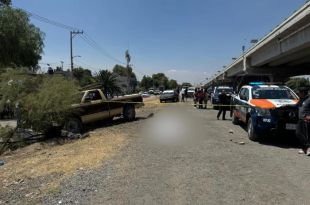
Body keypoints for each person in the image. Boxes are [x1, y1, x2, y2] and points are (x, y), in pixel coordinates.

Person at [296, 87, 310, 155]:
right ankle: (304, 148)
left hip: (306, 120)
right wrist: (284, 106)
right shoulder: (301, 100)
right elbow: (295, 106)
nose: (298, 94)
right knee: (298, 133)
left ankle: (308, 148)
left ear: (303, 93)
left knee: (306, 135)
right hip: (300, 119)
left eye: (299, 93)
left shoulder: (309, 99)